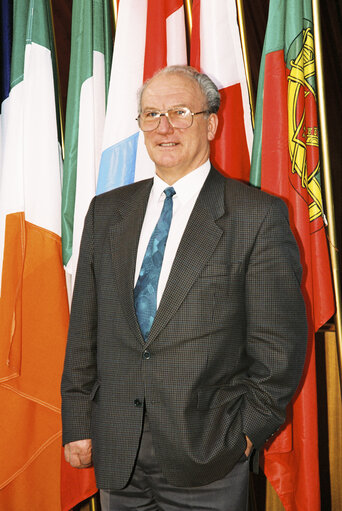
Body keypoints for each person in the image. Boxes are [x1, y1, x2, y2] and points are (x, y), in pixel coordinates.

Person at [61, 65, 307, 511]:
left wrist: (247, 434)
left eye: (179, 112)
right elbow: (84, 330)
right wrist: (78, 420)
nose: (164, 127)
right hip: (118, 452)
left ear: (211, 123)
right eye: (151, 114)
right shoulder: (106, 212)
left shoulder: (256, 216)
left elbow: (280, 349)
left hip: (210, 455)